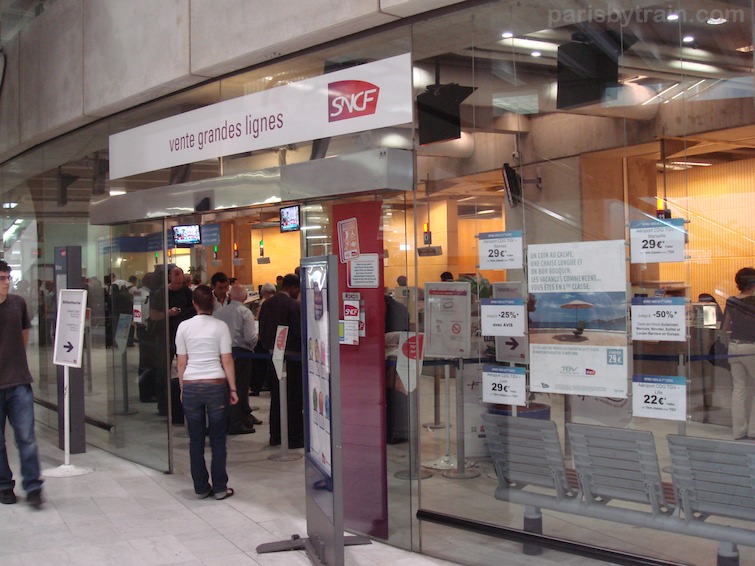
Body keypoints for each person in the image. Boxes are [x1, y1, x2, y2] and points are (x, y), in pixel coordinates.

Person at [175, 285, 238, 500]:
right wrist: (233, 388)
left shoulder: (183, 327)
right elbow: (227, 359)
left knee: (196, 440)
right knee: (218, 439)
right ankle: (220, 487)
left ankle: (201, 487)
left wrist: (182, 387)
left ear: (193, 303)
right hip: (216, 384)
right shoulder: (220, 326)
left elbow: (181, 362)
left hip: (192, 384)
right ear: (212, 303)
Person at [0, 260, 44, 508]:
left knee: (26, 436)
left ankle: (33, 486)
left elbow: (24, 334)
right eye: (2, 278)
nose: (7, 282)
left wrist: (14, 359)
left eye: (8, 277)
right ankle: (5, 485)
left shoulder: (17, 303)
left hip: (18, 382)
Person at [258, 273, 303, 448]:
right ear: (292, 288)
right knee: (293, 397)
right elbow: (299, 333)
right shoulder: (294, 305)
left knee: (276, 397)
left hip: (272, 355)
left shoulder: (267, 304)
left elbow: (262, 330)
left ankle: (275, 435)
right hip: (291, 358)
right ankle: (294, 437)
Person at [150, 266, 195, 422]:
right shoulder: (161, 294)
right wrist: (168, 313)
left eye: (179, 274)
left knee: (185, 371)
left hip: (183, 338)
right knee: (163, 372)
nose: (177, 277)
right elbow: (153, 315)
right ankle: (164, 405)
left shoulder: (188, 293)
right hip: (165, 338)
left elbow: (194, 311)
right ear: (169, 276)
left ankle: (182, 404)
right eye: (174, 274)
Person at [214, 284, 260, 434]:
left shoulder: (219, 312)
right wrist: (257, 339)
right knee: (239, 387)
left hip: (222, 352)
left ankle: (235, 417)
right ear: (245, 297)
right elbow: (250, 337)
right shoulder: (245, 313)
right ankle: (236, 422)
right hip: (241, 353)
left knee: (226, 387)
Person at [721, 267, 755, 440]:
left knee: (739, 388)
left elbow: (725, 326)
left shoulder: (732, 301)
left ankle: (738, 431)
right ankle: (753, 430)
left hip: (734, 347)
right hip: (752, 347)